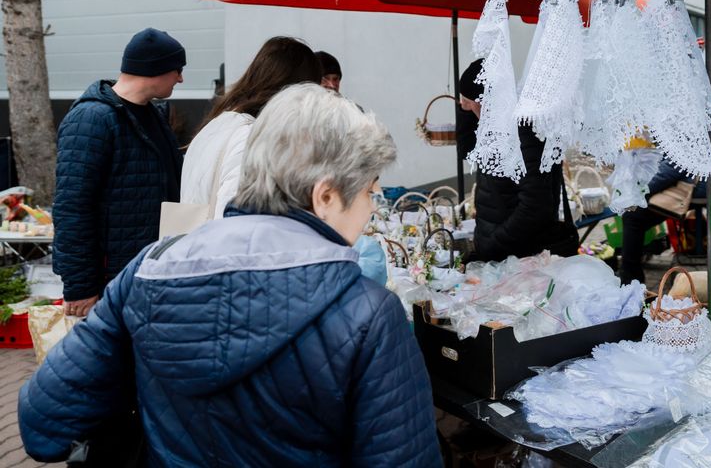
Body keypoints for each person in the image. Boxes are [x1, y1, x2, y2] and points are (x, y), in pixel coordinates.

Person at [20, 84, 441, 467]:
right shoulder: (368, 313)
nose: (371, 210)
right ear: (326, 195)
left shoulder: (151, 268)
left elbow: (43, 422)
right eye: (370, 192)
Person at [53, 27, 186, 318]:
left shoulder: (153, 115)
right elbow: (72, 208)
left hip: (149, 270)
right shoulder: (92, 118)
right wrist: (80, 285)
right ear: (156, 69)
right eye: (177, 69)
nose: (180, 78)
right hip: (111, 282)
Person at [181, 36, 322, 220]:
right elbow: (235, 220)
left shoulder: (217, 124)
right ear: (293, 91)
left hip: (196, 242)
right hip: (223, 246)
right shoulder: (248, 136)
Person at [459, 59, 577, 261]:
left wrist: (494, 243)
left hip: (522, 257)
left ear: (485, 100)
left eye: (469, 102)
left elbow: (535, 205)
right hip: (507, 253)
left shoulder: (524, 132)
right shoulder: (495, 129)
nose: (465, 106)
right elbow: (466, 149)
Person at [619, 157, 706, 285]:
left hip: (691, 186)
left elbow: (673, 168)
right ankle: (630, 275)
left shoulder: (685, 137)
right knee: (634, 214)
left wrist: (642, 191)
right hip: (687, 179)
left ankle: (630, 280)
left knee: (632, 217)